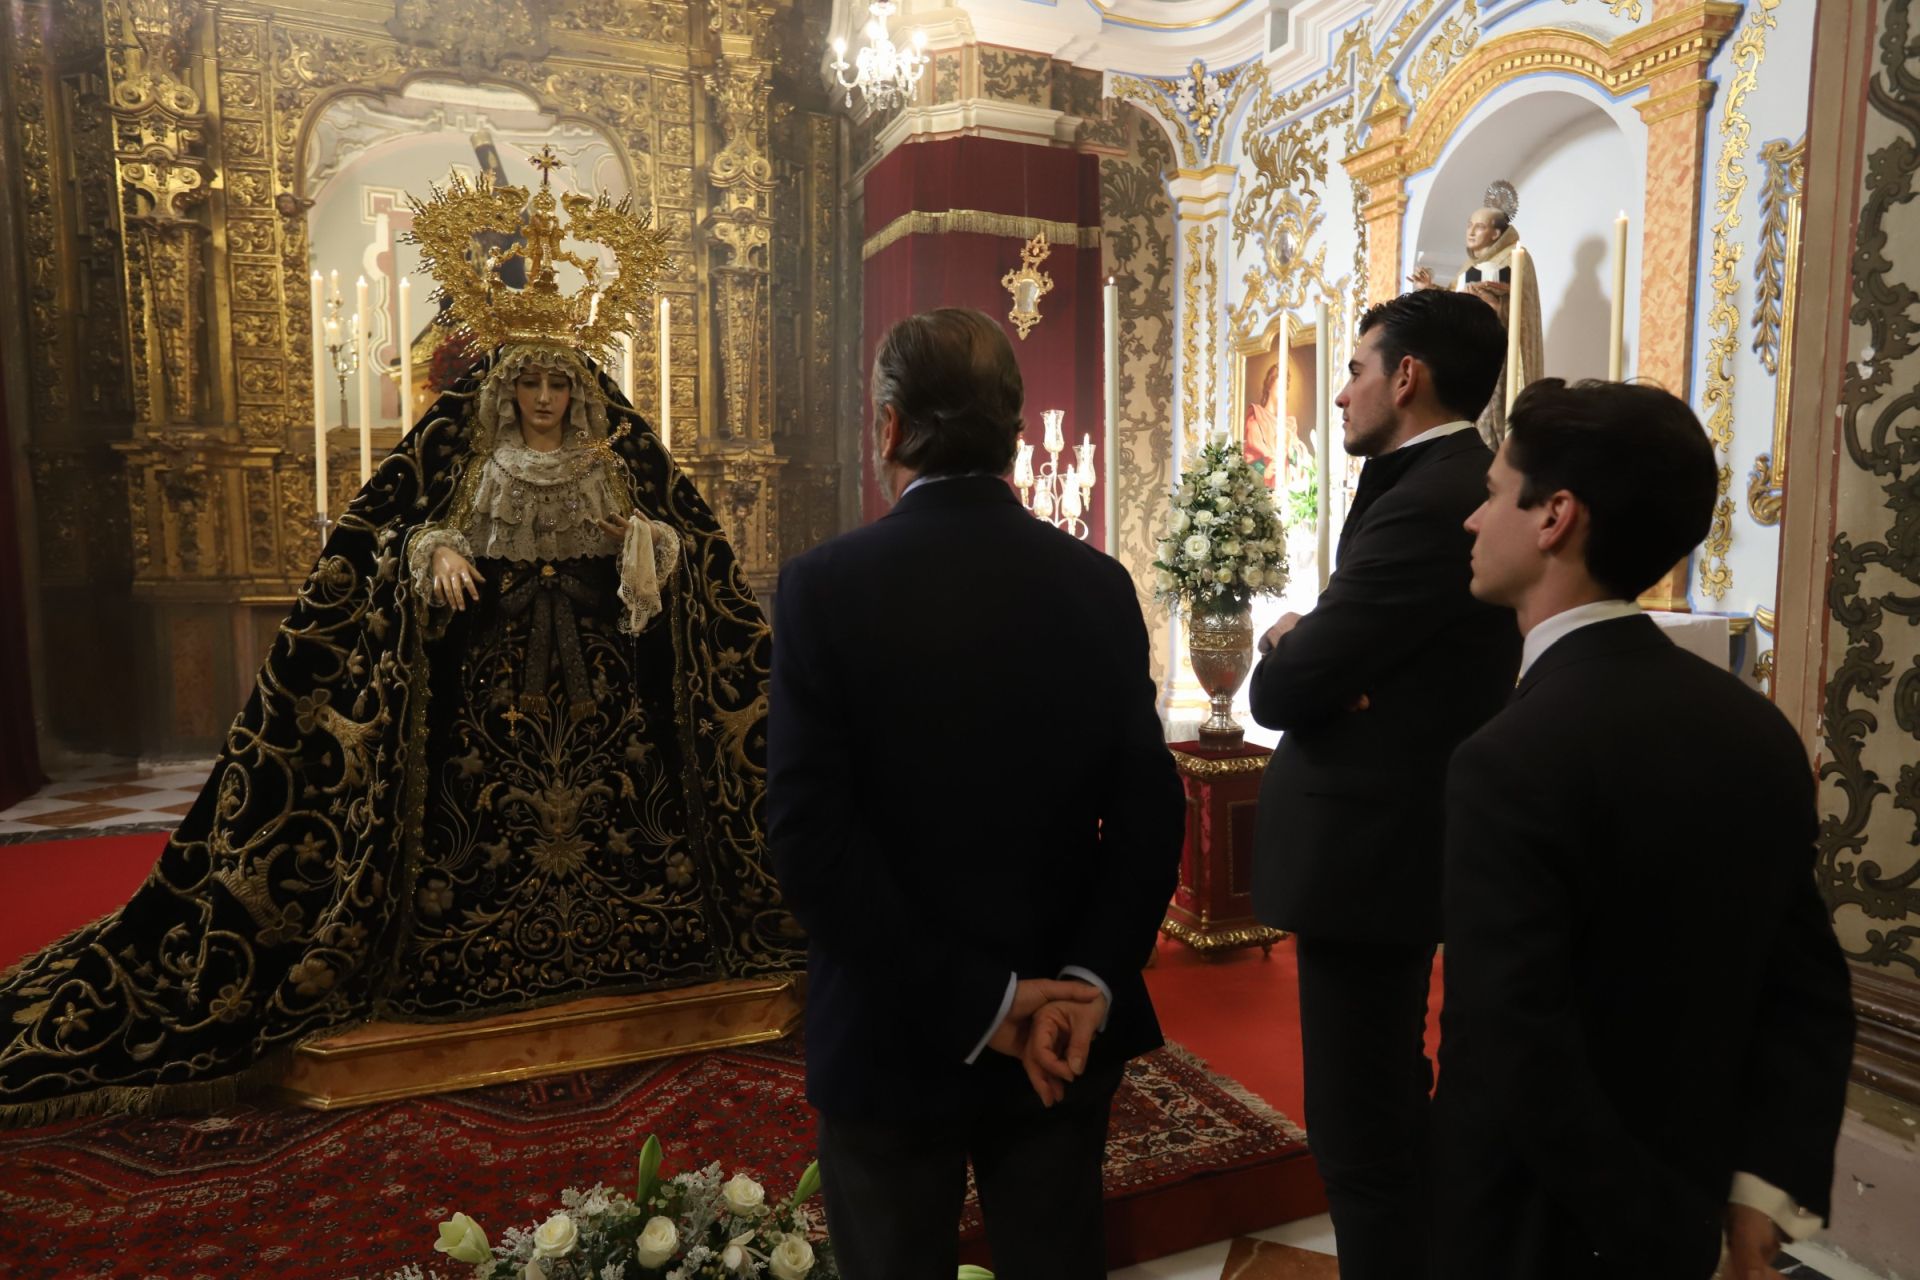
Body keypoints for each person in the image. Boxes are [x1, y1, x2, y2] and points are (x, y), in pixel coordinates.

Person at [0, 156, 801, 1127]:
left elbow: (676, 554)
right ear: (506, 388)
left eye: (560, 383)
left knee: (626, 812)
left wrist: (646, 541)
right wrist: (433, 553)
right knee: (474, 828)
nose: (546, 398)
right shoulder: (470, 460)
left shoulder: (607, 462)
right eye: (532, 383)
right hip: (491, 689)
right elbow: (400, 538)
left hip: (599, 695)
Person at [767, 307, 1185, 1280]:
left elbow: (809, 841)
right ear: (1014, 430)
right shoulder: (1097, 583)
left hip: (892, 1024)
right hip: (1063, 1037)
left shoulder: (823, 586)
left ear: (888, 425)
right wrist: (1085, 979)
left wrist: (981, 1003)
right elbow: (1149, 811)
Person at [1435, 378, 1854, 1279]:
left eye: (1493, 491)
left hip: (1541, 1228)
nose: (1472, 520)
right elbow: (1808, 991)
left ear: (1556, 517)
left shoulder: (1506, 758)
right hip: (1701, 1184)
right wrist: (1757, 1195)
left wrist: (1672, 1241)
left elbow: (1516, 1048)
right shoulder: (1755, 727)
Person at [1246, 287, 1520, 1279]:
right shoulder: (1432, 478)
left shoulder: (1433, 494)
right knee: (1386, 1110)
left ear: (1405, 376)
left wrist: (1301, 653)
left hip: (1374, 859)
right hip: (1383, 847)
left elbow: (1285, 685)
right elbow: (1334, 654)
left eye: (1356, 368)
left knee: (1362, 1134)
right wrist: (1319, 652)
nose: (1340, 393)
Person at [1409, 180, 1544, 450]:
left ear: (1496, 234)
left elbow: (1521, 308)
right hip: (1470, 351)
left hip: (1501, 352)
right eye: (1469, 225)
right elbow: (1456, 301)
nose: (1471, 232)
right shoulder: (1469, 266)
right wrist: (1430, 290)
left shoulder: (1515, 257)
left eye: (1479, 227)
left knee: (1495, 420)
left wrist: (1496, 302)